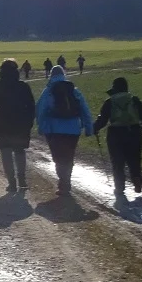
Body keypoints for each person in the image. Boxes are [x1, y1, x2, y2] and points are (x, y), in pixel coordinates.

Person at [35, 65, 93, 196]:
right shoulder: (74, 90)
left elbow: (41, 110)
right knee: (69, 156)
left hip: (54, 129)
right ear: (64, 74)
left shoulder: (48, 91)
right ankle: (66, 182)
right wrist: (89, 128)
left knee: (58, 157)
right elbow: (85, 110)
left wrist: (40, 126)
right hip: (73, 129)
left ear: (51, 75)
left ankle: (63, 183)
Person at [93, 77, 142, 203]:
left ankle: (119, 187)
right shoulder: (134, 100)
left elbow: (102, 120)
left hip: (115, 134)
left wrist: (94, 128)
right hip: (135, 133)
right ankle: (136, 179)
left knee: (117, 162)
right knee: (135, 159)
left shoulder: (109, 102)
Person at [0, 59, 36, 193]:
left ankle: (12, 182)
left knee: (5, 152)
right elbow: (31, 106)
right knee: (19, 151)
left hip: (2, 125)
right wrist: (29, 122)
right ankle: (22, 179)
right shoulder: (23, 86)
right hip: (20, 124)